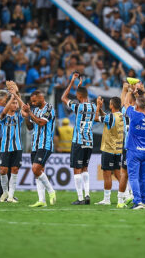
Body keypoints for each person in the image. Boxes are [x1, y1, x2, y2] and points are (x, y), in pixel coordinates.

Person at [61, 72, 97, 205]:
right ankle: (87, 195)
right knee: (85, 168)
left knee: (77, 169)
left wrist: (72, 82)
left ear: (79, 96)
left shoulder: (78, 107)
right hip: (89, 141)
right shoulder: (93, 106)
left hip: (78, 141)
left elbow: (63, 97)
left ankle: (80, 198)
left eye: (77, 95)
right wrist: (79, 87)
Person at [123, 86, 145, 210]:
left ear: (136, 106)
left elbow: (125, 103)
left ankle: (137, 202)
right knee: (143, 177)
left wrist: (130, 91)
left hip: (134, 151)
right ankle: (144, 200)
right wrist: (142, 94)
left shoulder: (134, 115)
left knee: (133, 177)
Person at [25, 90, 57, 208]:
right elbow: (29, 127)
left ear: (41, 97)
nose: (33, 103)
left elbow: (41, 122)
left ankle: (51, 191)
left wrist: (30, 113)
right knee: (38, 172)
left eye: (34, 101)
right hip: (35, 145)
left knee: (35, 169)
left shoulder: (49, 108)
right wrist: (26, 115)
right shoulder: (34, 110)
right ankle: (42, 200)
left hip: (45, 144)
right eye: (31, 101)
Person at [0, 92, 27, 203]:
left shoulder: (19, 115)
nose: (15, 105)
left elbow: (25, 110)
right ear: (8, 104)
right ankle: (5, 192)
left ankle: (11, 195)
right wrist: (13, 97)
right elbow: (4, 112)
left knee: (15, 170)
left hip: (17, 147)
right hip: (5, 147)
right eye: (13, 103)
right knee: (3, 170)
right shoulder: (2, 115)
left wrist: (16, 95)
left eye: (16, 103)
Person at [94, 96, 123, 205]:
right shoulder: (121, 116)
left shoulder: (111, 117)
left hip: (109, 148)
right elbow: (107, 118)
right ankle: (127, 194)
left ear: (111, 105)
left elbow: (96, 118)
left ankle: (107, 199)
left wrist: (97, 106)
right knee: (117, 173)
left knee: (107, 174)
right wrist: (101, 109)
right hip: (118, 149)